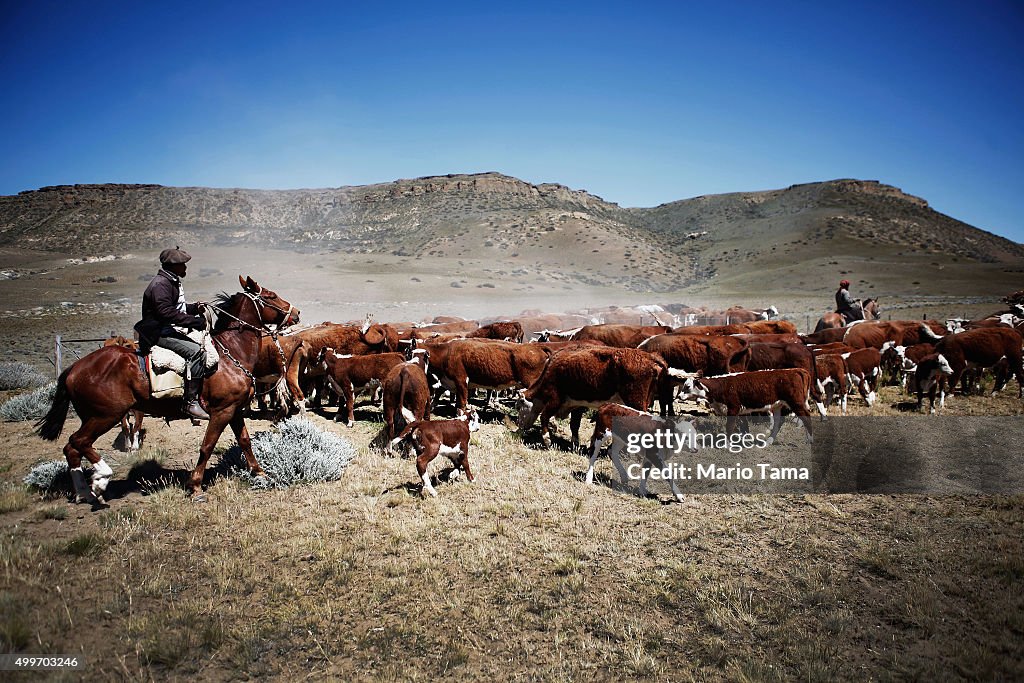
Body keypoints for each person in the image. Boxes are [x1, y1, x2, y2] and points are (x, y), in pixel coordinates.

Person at [134, 248, 211, 420]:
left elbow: (177, 308)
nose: (185, 268)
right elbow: (165, 313)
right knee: (197, 352)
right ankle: (191, 402)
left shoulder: (171, 281)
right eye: (182, 265)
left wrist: (194, 309)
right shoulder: (160, 284)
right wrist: (195, 321)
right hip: (157, 332)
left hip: (165, 328)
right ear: (172, 266)